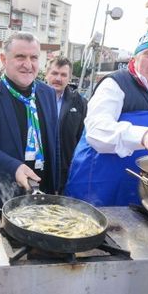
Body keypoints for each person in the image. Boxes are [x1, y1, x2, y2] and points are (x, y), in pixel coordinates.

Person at [65, 29, 148, 206]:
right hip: (97, 187)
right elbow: (96, 131)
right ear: (134, 59)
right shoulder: (114, 84)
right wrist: (146, 136)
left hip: (143, 190)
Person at [0, 32, 59, 209]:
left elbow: (53, 142)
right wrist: (14, 167)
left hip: (40, 195)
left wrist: (55, 185)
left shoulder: (47, 93)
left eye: (34, 57)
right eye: (20, 57)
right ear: (4, 59)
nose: (28, 64)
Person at [44, 56, 87, 193]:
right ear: (46, 74)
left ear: (69, 78)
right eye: (55, 73)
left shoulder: (80, 103)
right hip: (38, 169)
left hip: (66, 170)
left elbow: (82, 139)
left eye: (63, 75)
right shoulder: (32, 99)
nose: (58, 78)